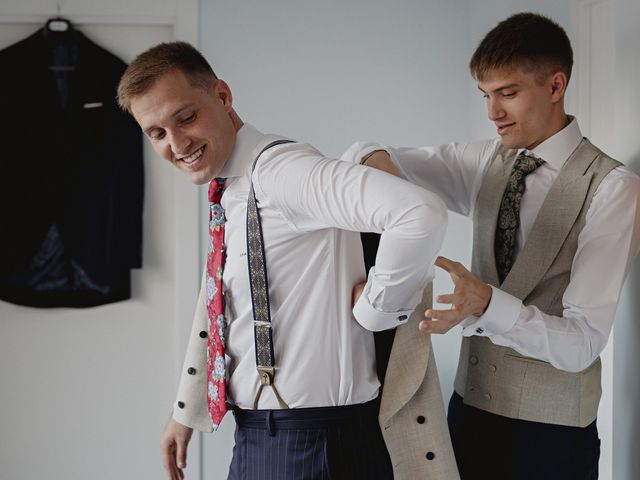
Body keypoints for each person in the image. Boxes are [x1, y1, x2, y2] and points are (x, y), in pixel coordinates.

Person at [117, 41, 458, 480]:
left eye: (186, 117)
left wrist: (378, 309)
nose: (177, 143)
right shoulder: (234, 187)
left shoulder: (282, 173)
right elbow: (219, 300)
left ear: (222, 96)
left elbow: (420, 212)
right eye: (157, 133)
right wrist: (185, 409)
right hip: (263, 437)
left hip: (312, 447)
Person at [352, 12, 640, 480]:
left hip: (553, 439)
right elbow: (363, 155)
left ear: (555, 86)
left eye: (507, 93)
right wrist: (379, 169)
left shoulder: (612, 189)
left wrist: (487, 304)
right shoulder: (486, 158)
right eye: (485, 95)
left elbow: (583, 343)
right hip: (467, 415)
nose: (493, 112)